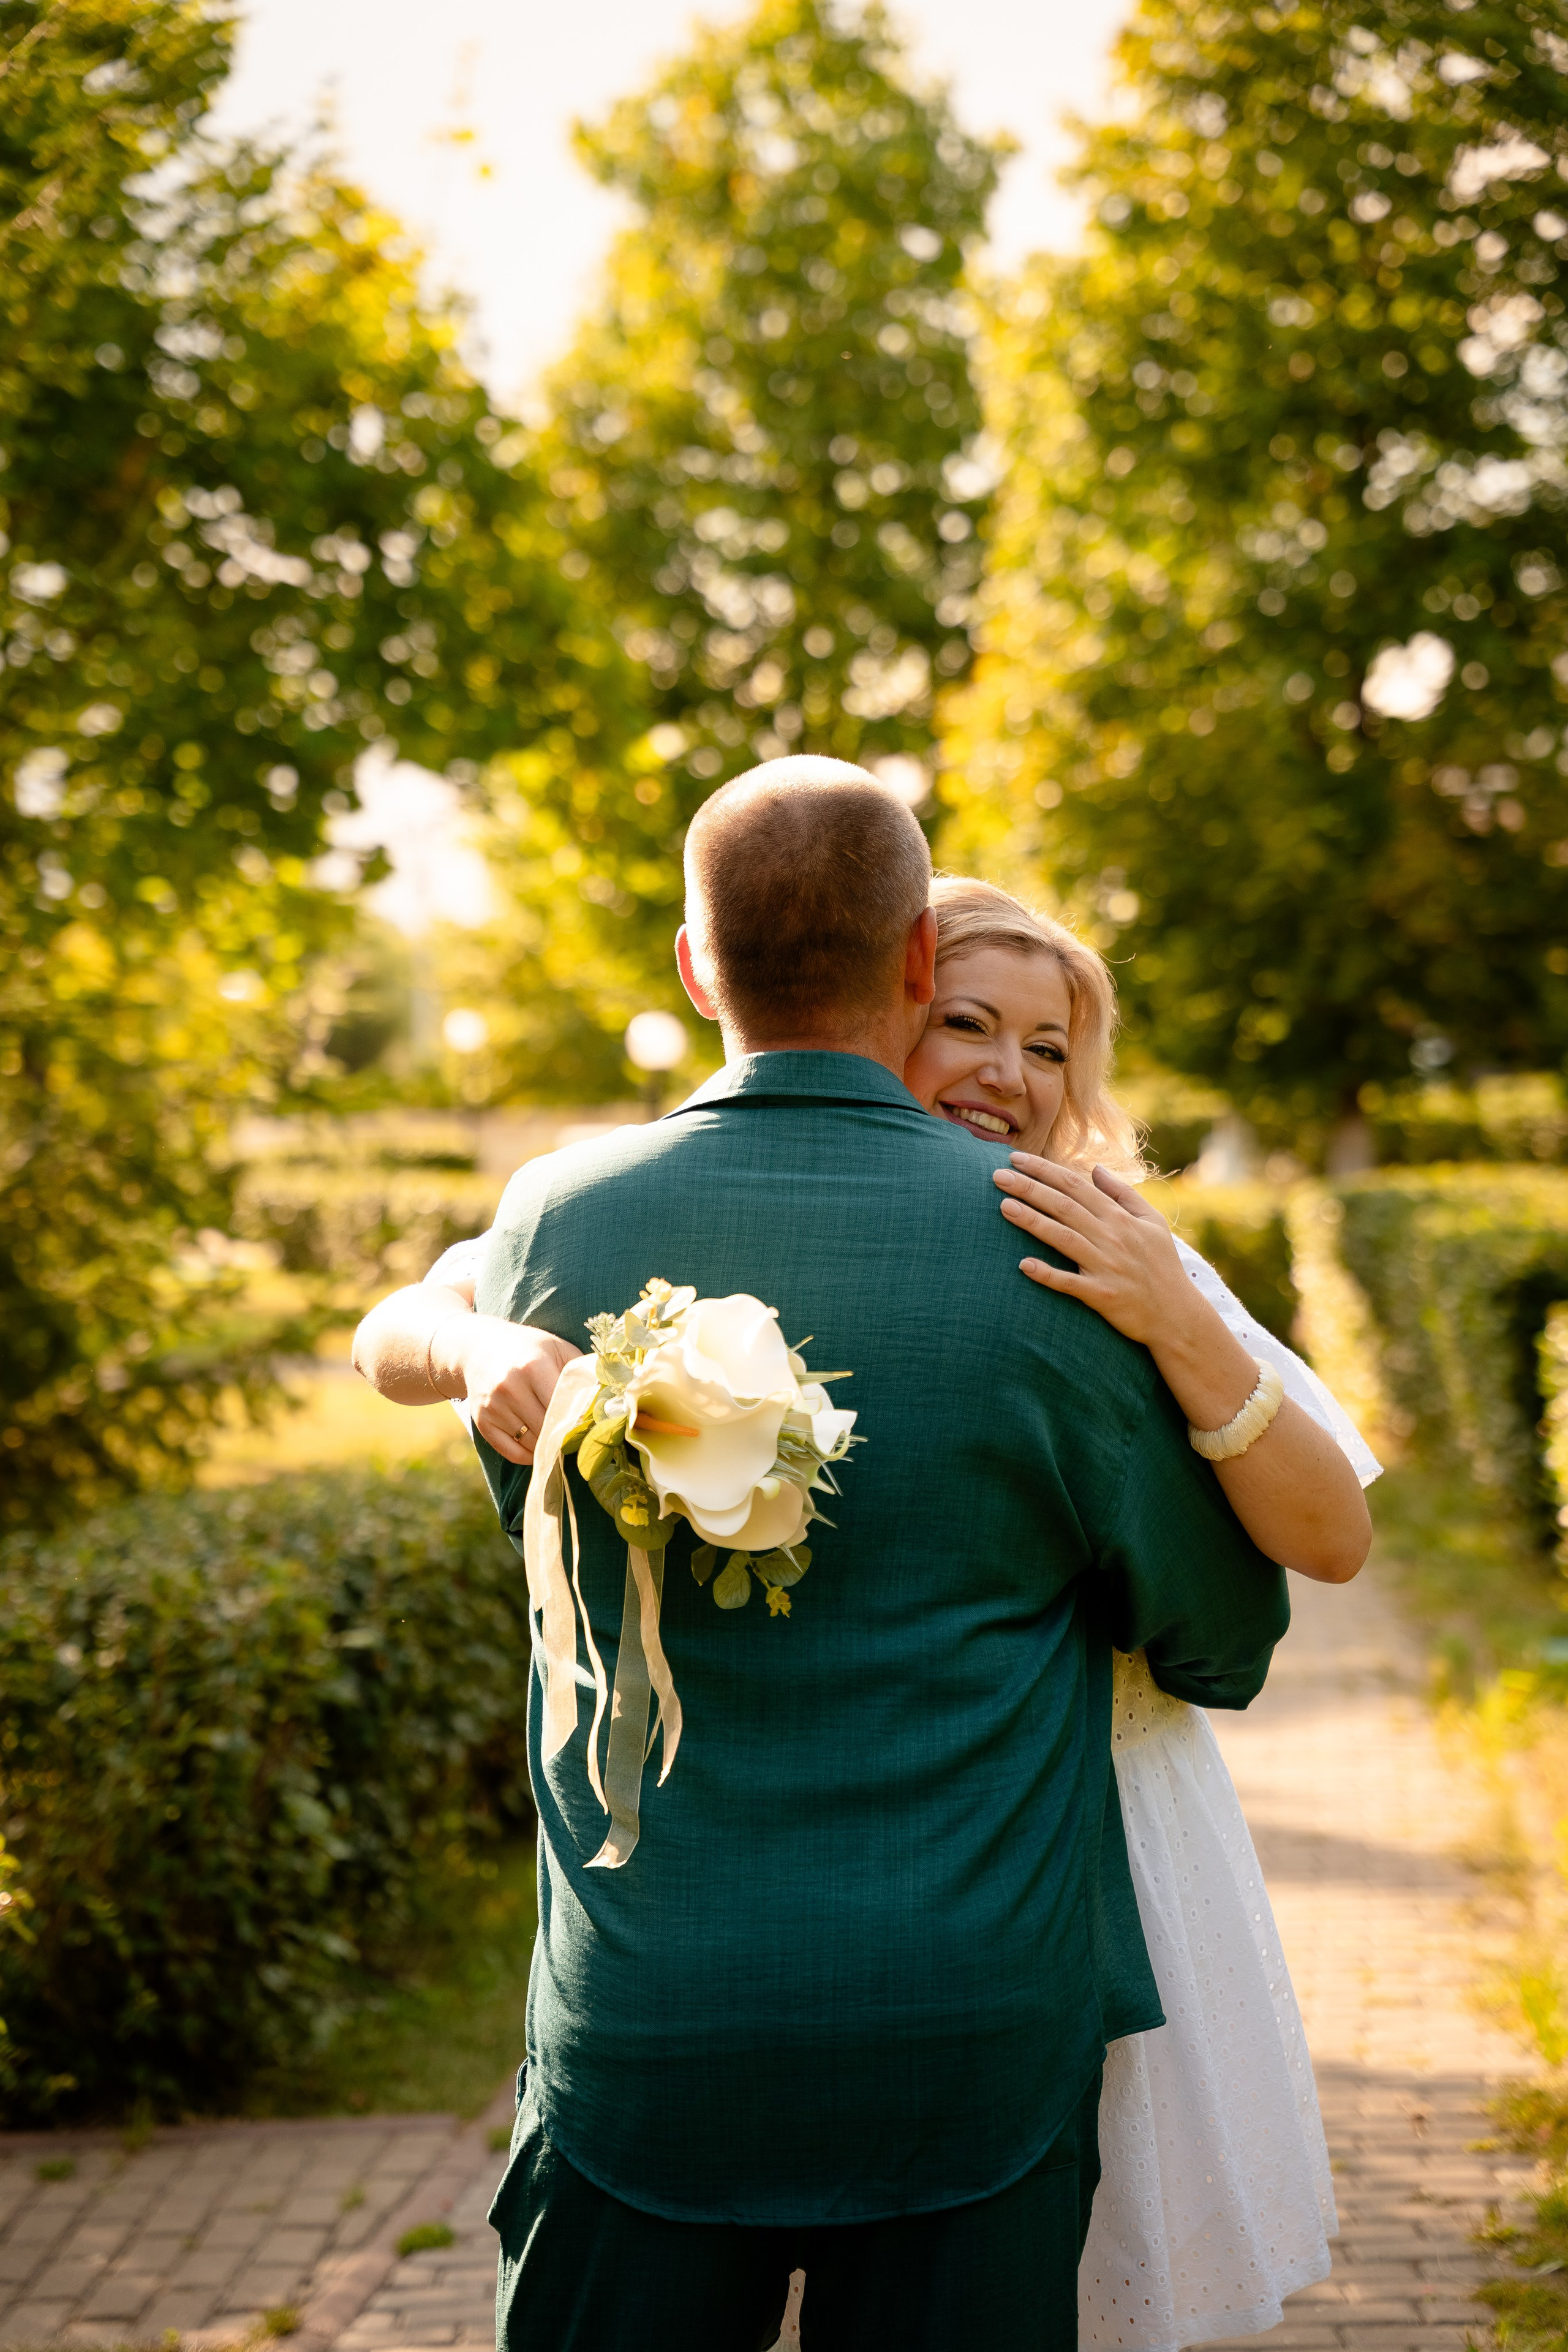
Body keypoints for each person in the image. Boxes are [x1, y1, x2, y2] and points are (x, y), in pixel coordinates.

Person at [352, 756, 1310, 2352]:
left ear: (692, 966)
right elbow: (1219, 1642)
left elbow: (462, 1417)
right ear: (921, 965)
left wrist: (467, 1349)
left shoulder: (554, 1224)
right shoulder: (1055, 1247)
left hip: (650, 2019)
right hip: (972, 2029)